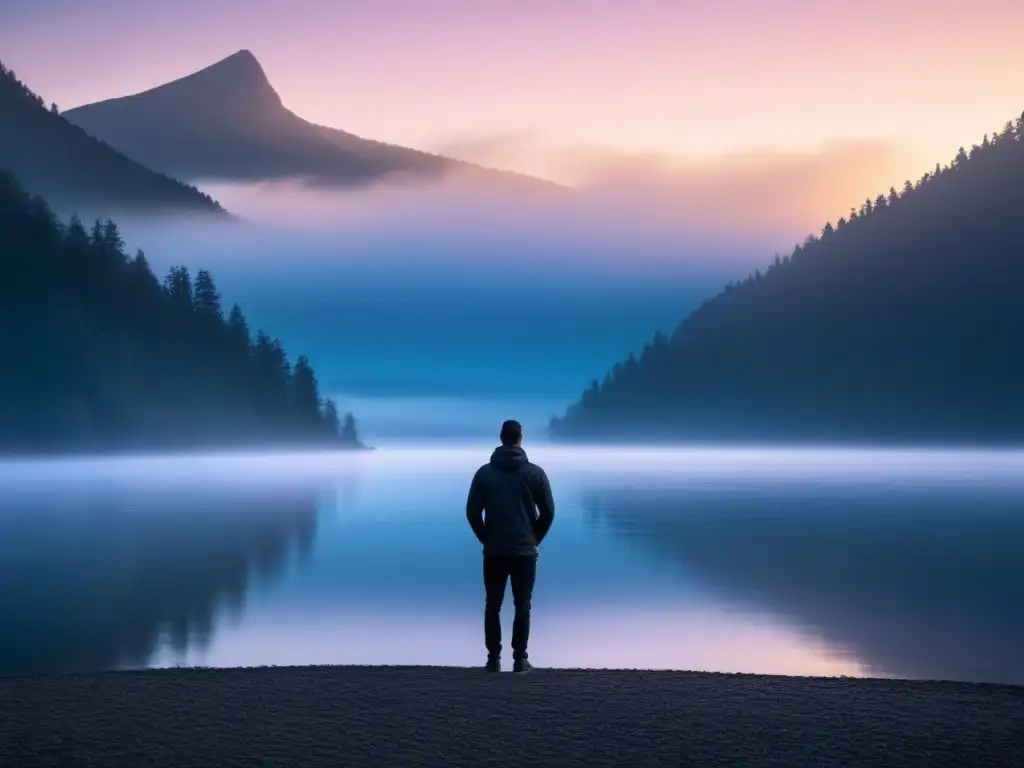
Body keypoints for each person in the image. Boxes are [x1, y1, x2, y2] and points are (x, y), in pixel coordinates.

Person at [466, 419, 555, 673]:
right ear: (520, 438)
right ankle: (519, 658)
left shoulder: (484, 473)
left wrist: (485, 537)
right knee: (522, 604)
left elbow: (472, 512)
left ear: (501, 438)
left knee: (493, 603)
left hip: (494, 550)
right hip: (524, 551)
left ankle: (493, 658)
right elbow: (548, 511)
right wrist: (535, 537)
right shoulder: (535, 473)